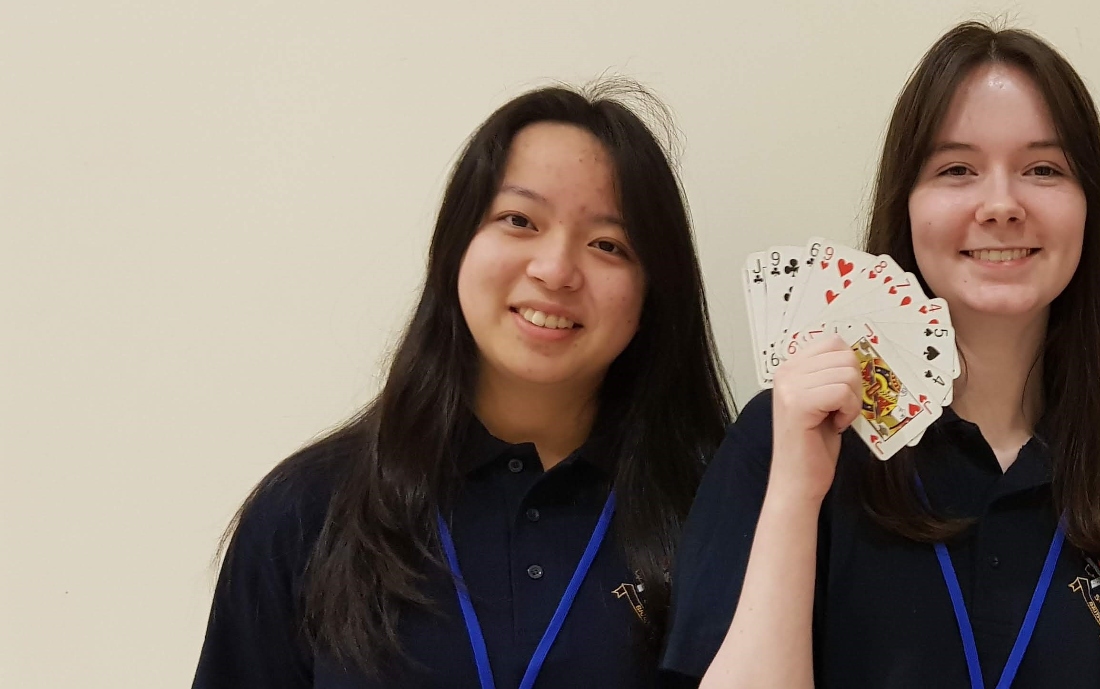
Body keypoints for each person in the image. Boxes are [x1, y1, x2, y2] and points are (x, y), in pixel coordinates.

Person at [663, 22, 1100, 689]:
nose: (1000, 204)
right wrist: (794, 492)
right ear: (907, 206)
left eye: (1043, 169)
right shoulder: (788, 433)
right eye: (956, 169)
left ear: (1088, 208)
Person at [193, 81, 731, 688]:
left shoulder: (718, 513)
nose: (554, 269)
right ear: (455, 246)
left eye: (608, 244)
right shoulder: (307, 507)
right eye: (519, 220)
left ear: (653, 291)